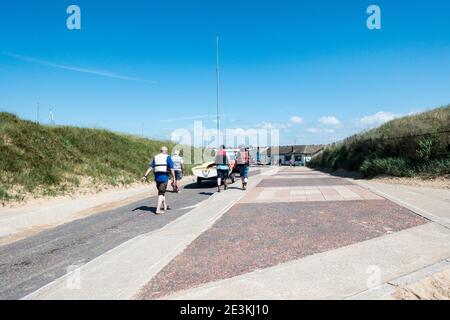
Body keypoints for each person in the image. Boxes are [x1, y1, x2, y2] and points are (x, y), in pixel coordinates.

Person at [141, 146, 176, 215]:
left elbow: (151, 167)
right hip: (164, 177)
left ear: (160, 151)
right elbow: (172, 169)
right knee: (161, 193)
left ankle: (165, 205)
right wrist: (174, 178)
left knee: (161, 192)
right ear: (166, 151)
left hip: (157, 178)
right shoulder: (168, 157)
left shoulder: (156, 157)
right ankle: (158, 210)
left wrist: (145, 176)